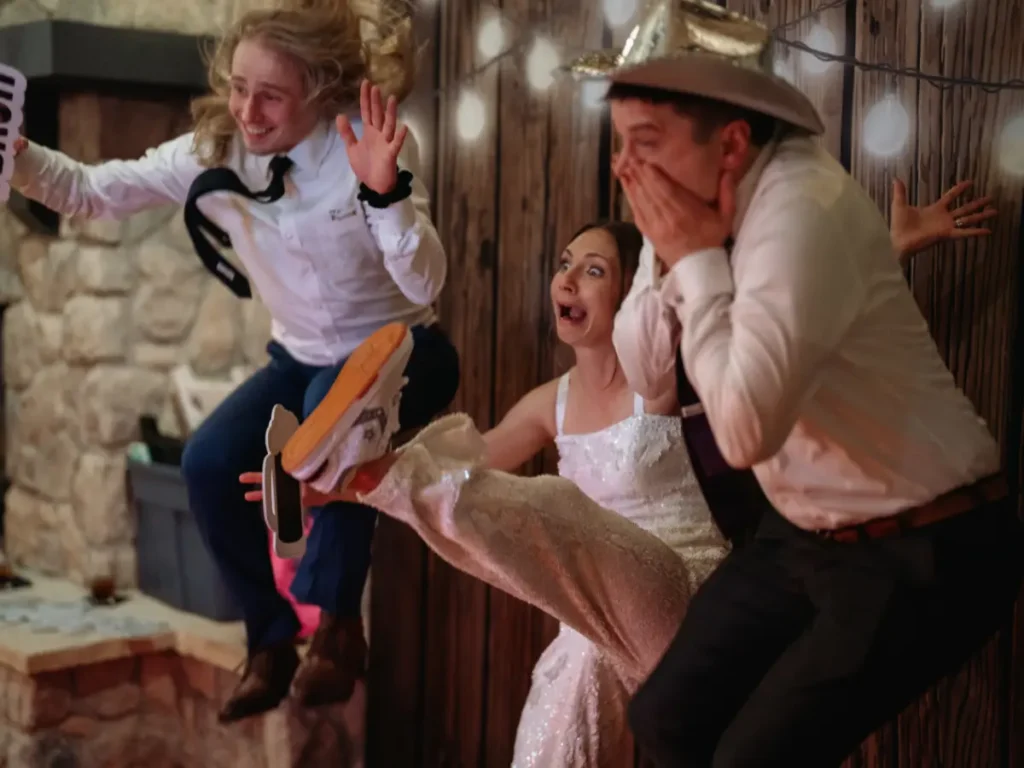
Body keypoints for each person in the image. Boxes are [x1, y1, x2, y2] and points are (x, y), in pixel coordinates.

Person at [242, 178, 988, 767]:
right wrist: (321, 489)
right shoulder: (549, 404)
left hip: (687, 595)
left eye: (593, 269)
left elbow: (802, 337)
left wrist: (889, 250)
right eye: (564, 263)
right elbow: (474, 474)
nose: (568, 278)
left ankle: (377, 462)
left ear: (632, 294)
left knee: (559, 510)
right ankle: (367, 467)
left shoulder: (668, 371)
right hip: (596, 609)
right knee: (566, 664)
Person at [585, 1, 1021, 766]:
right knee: (663, 720)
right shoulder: (698, 213)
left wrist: (692, 261)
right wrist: (671, 254)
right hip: (803, 535)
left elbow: (746, 431)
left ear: (731, 143)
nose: (628, 172)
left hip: (925, 538)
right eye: (621, 147)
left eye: (645, 146)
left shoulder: (801, 209)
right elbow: (647, 368)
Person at [9, 0, 459, 722]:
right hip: (301, 359)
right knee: (207, 463)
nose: (248, 110)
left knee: (330, 421)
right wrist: (20, 158)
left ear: (320, 88)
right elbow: (92, 192)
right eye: (239, 86)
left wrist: (385, 193)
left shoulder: (367, 151)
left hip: (405, 354)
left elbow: (426, 284)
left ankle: (339, 628)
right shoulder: (213, 152)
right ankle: (271, 638)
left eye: (271, 95)